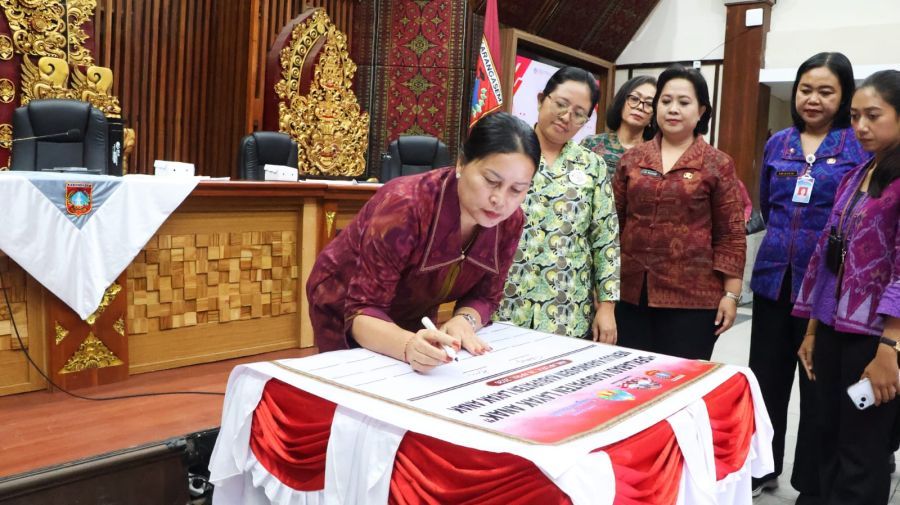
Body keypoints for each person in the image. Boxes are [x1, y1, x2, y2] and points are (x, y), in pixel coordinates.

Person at [306, 112, 540, 372]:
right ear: (462, 163)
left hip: (412, 303)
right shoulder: (406, 205)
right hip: (345, 300)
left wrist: (465, 320)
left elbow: (486, 296)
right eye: (491, 181)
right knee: (357, 380)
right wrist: (406, 344)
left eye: (517, 189)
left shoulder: (510, 221)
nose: (500, 199)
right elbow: (361, 309)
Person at [747, 52, 867, 501]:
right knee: (765, 380)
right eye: (805, 89)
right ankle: (762, 467)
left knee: (817, 385)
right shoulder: (778, 143)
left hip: (826, 289)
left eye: (826, 91)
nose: (812, 99)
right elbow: (767, 203)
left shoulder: (856, 144)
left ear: (844, 96)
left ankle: (811, 481)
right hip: (774, 280)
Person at [795, 69, 900, 505]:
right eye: (855, 115)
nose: (860, 126)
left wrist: (890, 348)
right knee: (827, 431)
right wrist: (812, 331)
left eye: (873, 115)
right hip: (833, 330)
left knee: (863, 445)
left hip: (876, 339)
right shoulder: (856, 173)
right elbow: (827, 257)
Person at [612, 64, 745, 360]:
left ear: (701, 111)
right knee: (628, 380)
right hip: (630, 293)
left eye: (683, 103)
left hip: (694, 302)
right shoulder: (632, 159)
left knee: (679, 383)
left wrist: (731, 294)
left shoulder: (717, 163)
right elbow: (613, 225)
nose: (673, 109)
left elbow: (731, 232)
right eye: (666, 100)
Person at [495, 66, 620, 341]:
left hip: (567, 308)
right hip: (502, 300)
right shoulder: (506, 151)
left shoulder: (592, 166)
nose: (566, 117)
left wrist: (607, 307)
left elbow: (605, 239)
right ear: (541, 99)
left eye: (578, 114)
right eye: (560, 105)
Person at [581, 75, 657, 177]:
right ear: (621, 102)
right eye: (634, 99)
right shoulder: (592, 144)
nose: (640, 107)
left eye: (649, 103)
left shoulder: (655, 156)